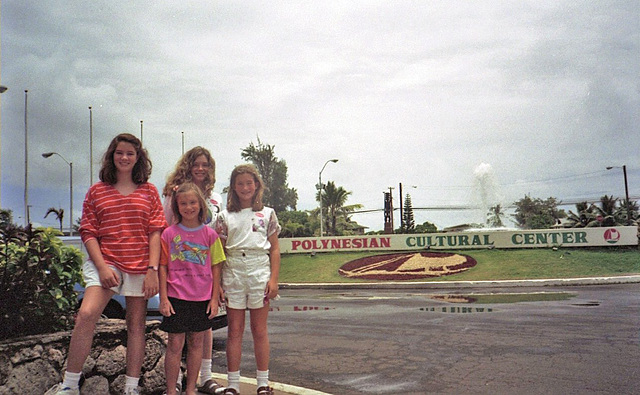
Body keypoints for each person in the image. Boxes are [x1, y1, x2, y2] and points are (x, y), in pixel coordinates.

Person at [46, 133, 167, 395]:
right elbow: (88, 232)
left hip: (141, 265)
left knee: (136, 326)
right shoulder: (97, 191)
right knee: (87, 315)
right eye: (119, 152)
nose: (124, 157)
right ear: (112, 156)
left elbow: (155, 231)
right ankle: (69, 385)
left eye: (130, 153)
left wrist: (152, 270)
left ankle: (131, 388)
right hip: (107, 261)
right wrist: (102, 268)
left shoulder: (150, 191)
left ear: (138, 158)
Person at [162, 146, 225, 394]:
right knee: (177, 341)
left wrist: (216, 286)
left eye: (205, 165)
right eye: (195, 164)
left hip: (207, 274)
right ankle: (174, 383)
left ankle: (203, 378)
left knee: (202, 333)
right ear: (187, 166)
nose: (200, 168)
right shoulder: (173, 193)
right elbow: (168, 229)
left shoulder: (215, 197)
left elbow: (217, 232)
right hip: (179, 277)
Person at [215, 164, 281, 395]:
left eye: (249, 183)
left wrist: (273, 280)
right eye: (240, 183)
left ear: (257, 186)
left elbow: (274, 250)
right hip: (233, 270)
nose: (245, 187)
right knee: (234, 330)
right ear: (233, 186)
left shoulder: (268, 213)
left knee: (259, 330)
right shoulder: (224, 216)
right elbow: (219, 254)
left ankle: (263, 382)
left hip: (259, 270)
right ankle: (233, 383)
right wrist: (217, 285)